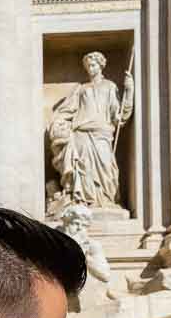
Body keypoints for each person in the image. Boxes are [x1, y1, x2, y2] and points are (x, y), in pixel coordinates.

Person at [47, 51, 134, 210]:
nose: (90, 69)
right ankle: (85, 202)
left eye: (93, 65)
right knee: (84, 168)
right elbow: (66, 110)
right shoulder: (81, 89)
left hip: (102, 134)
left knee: (106, 168)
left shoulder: (110, 87)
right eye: (88, 66)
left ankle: (106, 201)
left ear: (101, 66)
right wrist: (58, 124)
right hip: (81, 134)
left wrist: (129, 91)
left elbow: (119, 116)